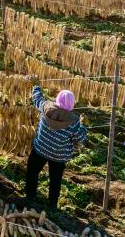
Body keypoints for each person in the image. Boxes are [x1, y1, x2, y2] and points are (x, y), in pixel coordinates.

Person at [25, 77, 88, 211]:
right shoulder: (74, 122)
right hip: (59, 156)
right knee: (55, 180)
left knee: (32, 171)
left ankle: (30, 196)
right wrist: (83, 125)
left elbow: (37, 98)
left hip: (40, 149)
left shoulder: (46, 107)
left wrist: (36, 86)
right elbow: (80, 138)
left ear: (57, 99)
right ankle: (52, 205)